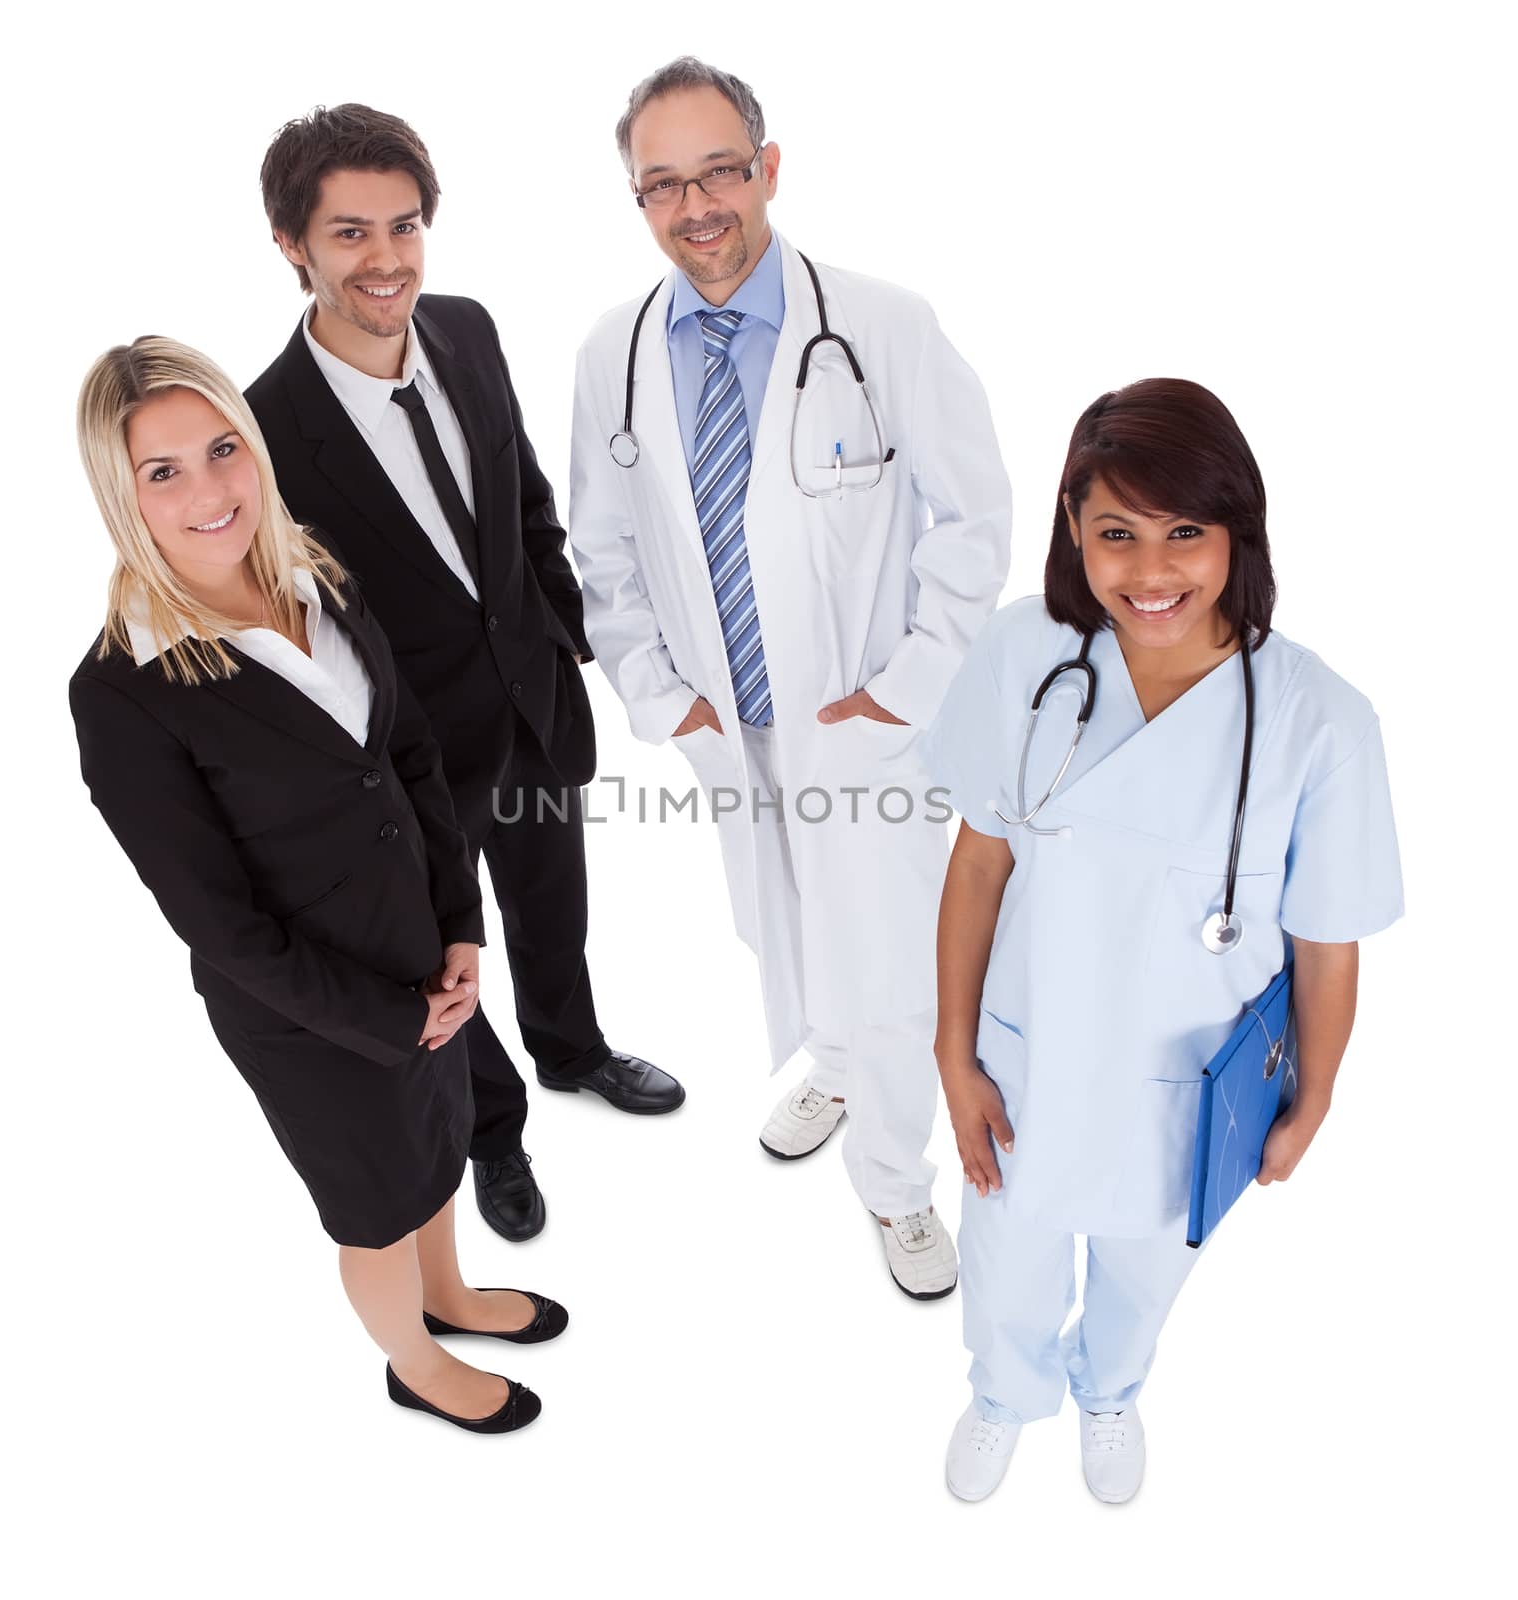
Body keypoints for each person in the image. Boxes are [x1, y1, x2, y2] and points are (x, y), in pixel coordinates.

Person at [570, 58, 1011, 1296]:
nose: (698, 205)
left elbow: (973, 519)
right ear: (640, 201)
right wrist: (665, 698)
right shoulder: (614, 353)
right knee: (776, 920)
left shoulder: (882, 323)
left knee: (887, 965)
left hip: (860, 718)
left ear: (769, 167)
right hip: (732, 722)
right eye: (664, 183)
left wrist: (910, 684)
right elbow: (599, 551)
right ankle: (826, 1058)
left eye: (720, 170)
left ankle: (896, 1188)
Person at [70, 337, 567, 1434]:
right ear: (123, 494)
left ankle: (452, 1293)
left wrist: (459, 929)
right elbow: (221, 926)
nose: (209, 491)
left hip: (421, 958)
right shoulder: (124, 689)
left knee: (437, 1148)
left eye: (221, 449)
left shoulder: (317, 570)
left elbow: (412, 754)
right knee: (378, 1206)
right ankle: (413, 1360)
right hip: (315, 1018)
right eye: (163, 472)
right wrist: (393, 1017)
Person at [925, 377, 1404, 1502]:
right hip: (1025, 1054)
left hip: (1187, 1084)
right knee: (1005, 1269)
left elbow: (1326, 941)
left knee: (1147, 1272)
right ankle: (1005, 1395)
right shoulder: (1024, 651)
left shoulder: (1319, 720)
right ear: (1073, 534)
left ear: (1239, 529)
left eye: (1186, 532)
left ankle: (1110, 1392)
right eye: (1117, 533)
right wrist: (952, 1052)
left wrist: (1315, 1097)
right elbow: (979, 858)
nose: (1152, 572)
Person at [246, 104, 683, 1245]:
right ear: (291, 245)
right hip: (409, 761)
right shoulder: (263, 430)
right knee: (449, 954)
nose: (385, 260)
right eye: (349, 234)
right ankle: (495, 1131)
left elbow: (524, 501)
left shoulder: (469, 330)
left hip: (531, 708)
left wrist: (579, 635)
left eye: (404, 226)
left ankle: (575, 1049)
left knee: (553, 909)